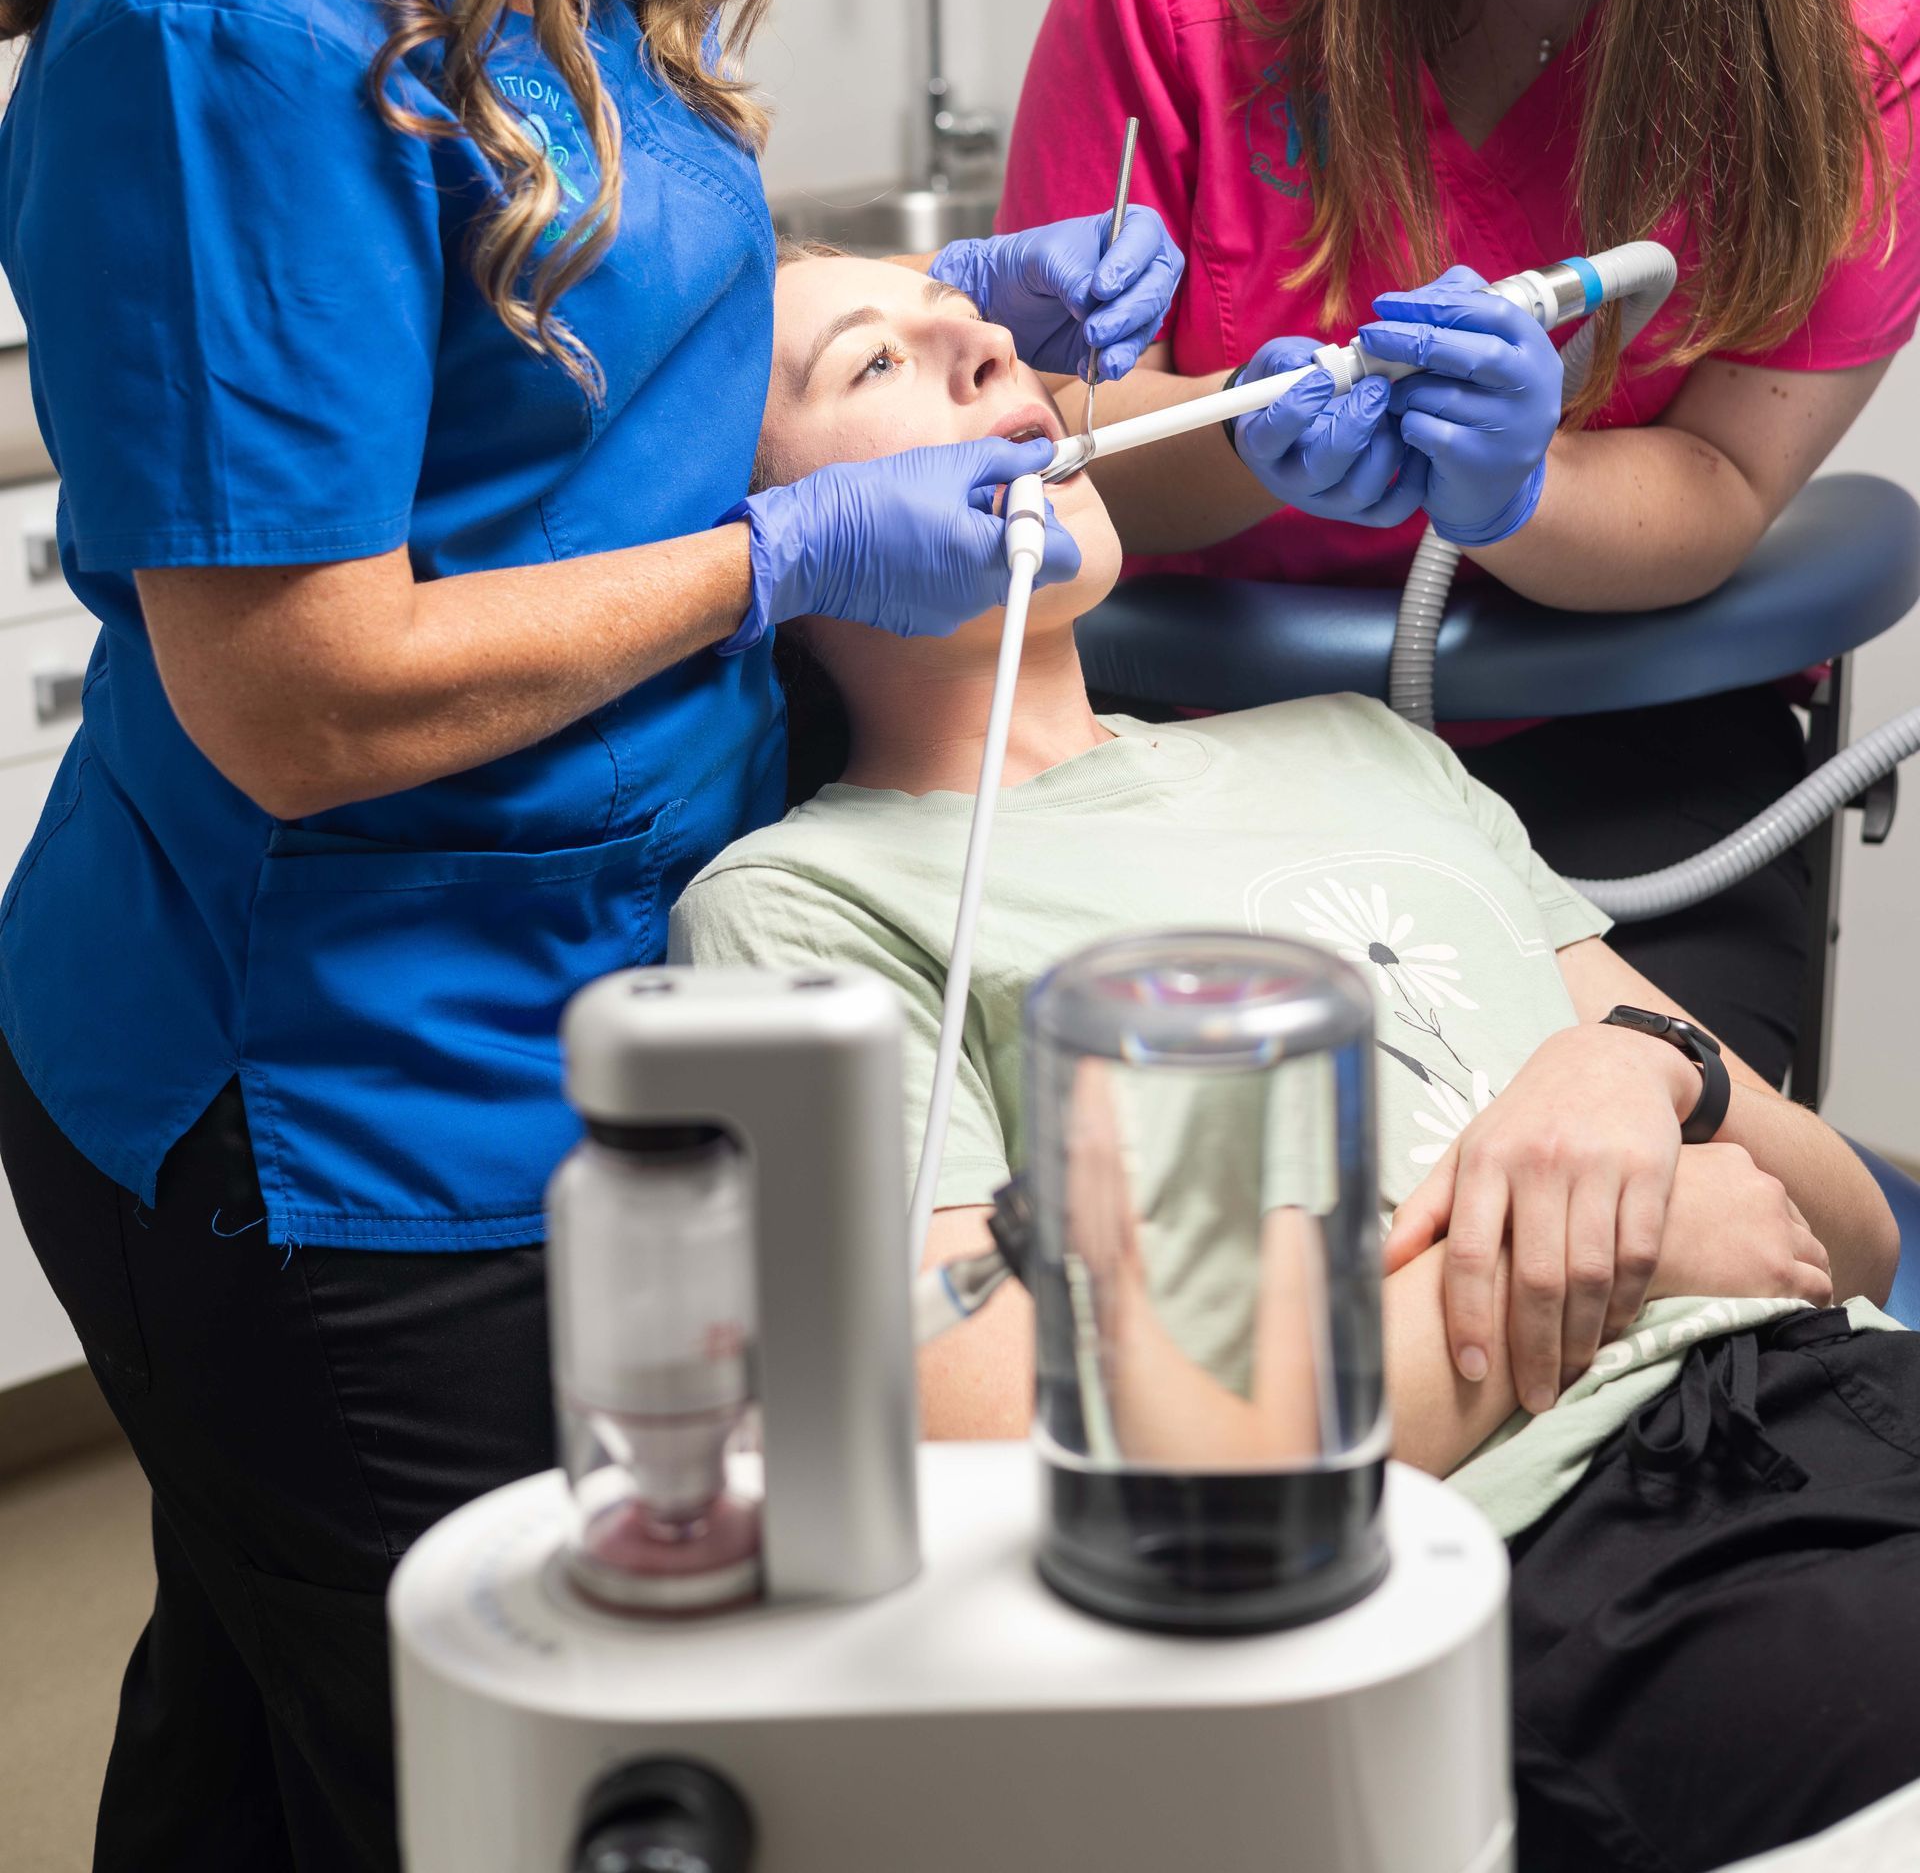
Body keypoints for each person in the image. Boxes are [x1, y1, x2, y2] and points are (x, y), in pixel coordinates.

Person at [0, 0, 1196, 1873]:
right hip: (325, 1103)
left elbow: (559, 335)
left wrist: (927, 308)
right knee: (495, 1776)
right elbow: (303, 693)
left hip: (576, 1009)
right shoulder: (232, 30)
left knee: (265, 1714)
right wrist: (790, 557)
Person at [676, 243, 1919, 1873]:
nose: (984, 347)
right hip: (1580, 1563)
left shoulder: (1357, 746)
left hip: (1858, 1403)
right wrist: (1634, 1248)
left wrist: (1643, 1073)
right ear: (765, 546)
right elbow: (1032, 1477)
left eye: (960, 314)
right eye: (874, 363)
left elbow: (1852, 1232)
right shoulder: (801, 912)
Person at [999, 0, 1920, 1091]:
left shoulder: (1856, 11)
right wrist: (1256, 440)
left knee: (1638, 1241)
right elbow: (1041, 440)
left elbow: (1722, 485)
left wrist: (1515, 494)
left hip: (1622, 763)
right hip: (1199, 754)